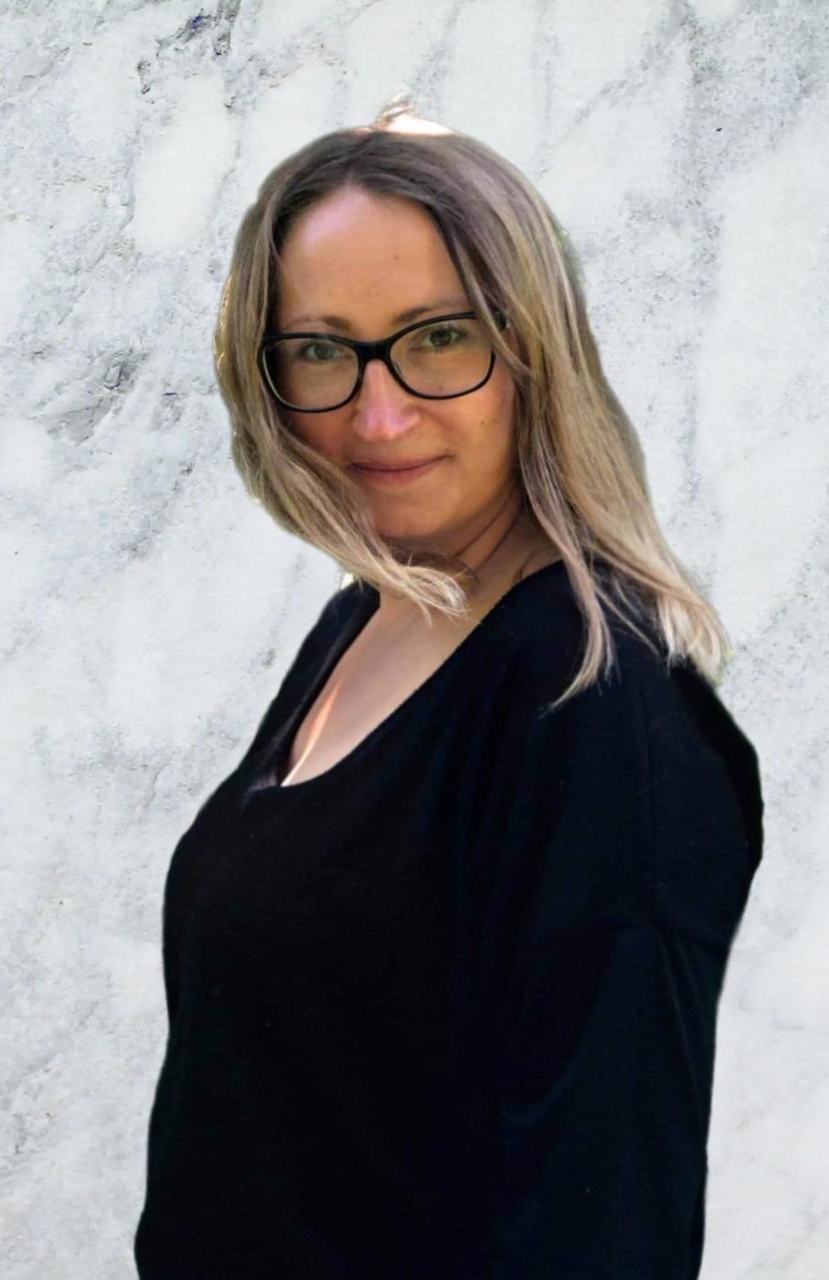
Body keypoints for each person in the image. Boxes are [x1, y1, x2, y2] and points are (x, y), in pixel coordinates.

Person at [133, 96, 765, 1280]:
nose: (376, 416)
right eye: (320, 350)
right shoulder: (374, 615)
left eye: (436, 337)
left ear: (534, 346)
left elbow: (601, 1236)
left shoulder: (597, 715)